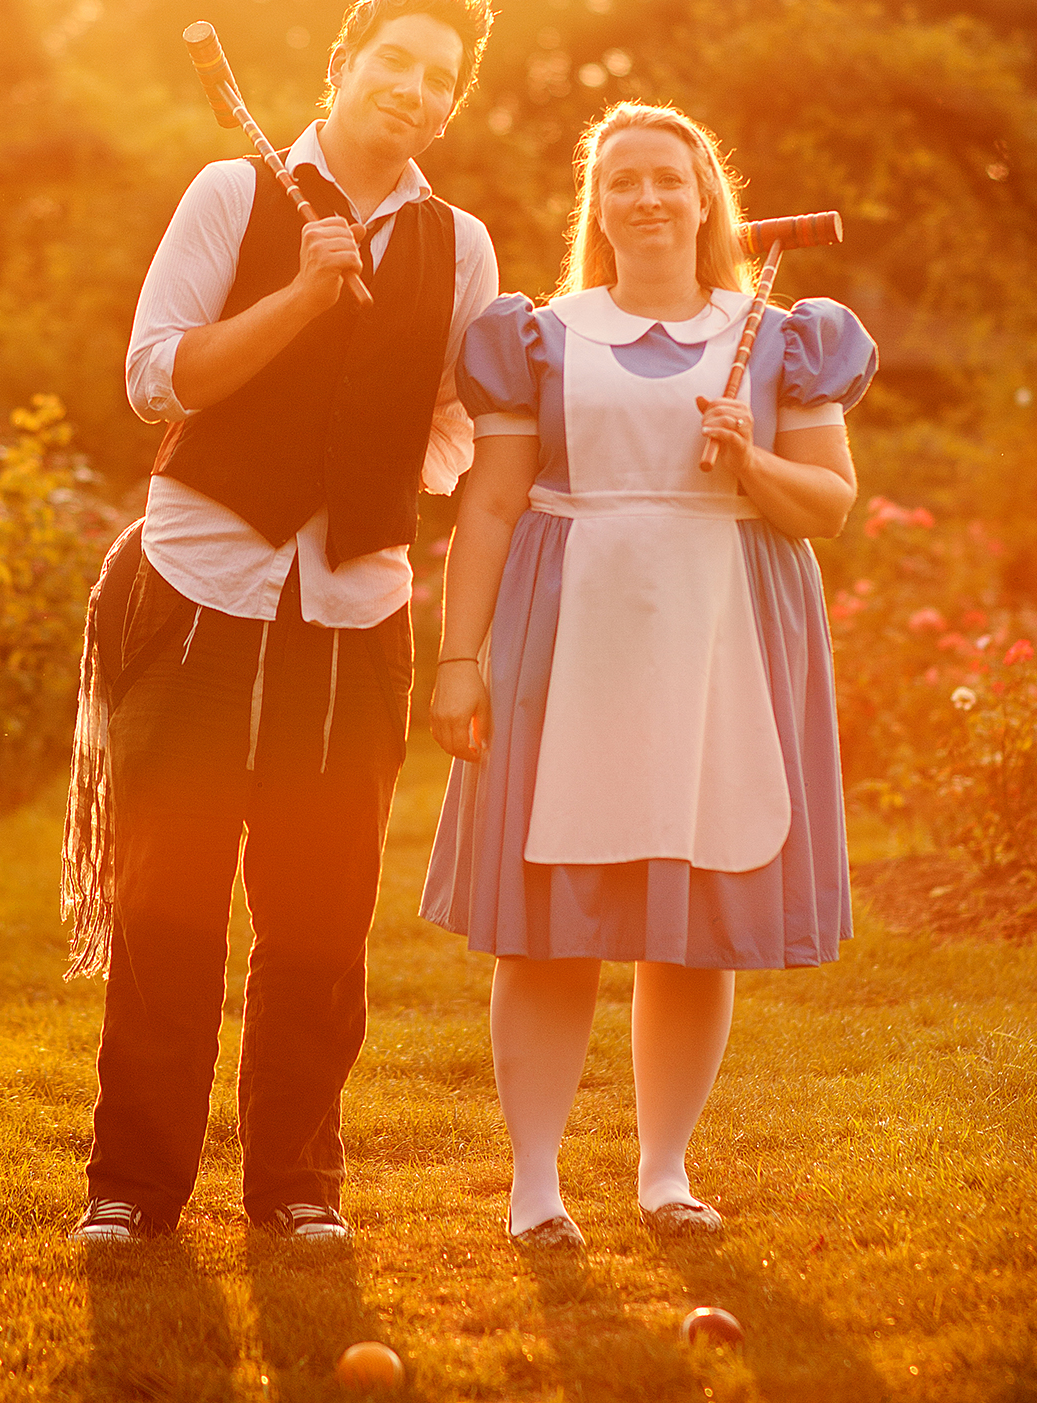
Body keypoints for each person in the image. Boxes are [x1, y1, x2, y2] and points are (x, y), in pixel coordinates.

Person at [65, 0, 500, 1244]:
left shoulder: (456, 243)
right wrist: (305, 298)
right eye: (397, 61)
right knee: (167, 906)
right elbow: (158, 379)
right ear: (344, 62)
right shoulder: (233, 194)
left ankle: (299, 1185)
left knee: (319, 921)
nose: (415, 90)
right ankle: (133, 1188)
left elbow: (467, 419)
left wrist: (375, 469)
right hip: (200, 591)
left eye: (441, 78)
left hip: (355, 606)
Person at [419, 99, 877, 1249]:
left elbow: (826, 505)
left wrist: (749, 453)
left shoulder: (778, 334)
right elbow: (488, 498)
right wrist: (458, 659)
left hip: (722, 633)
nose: (647, 197)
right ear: (599, 204)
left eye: (668, 177)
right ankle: (535, 1184)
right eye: (621, 179)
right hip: (567, 630)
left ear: (704, 194)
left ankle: (664, 1172)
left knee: (692, 915)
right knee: (549, 922)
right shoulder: (540, 334)